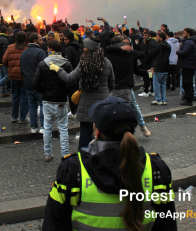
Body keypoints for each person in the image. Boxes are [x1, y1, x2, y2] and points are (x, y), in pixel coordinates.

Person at [42, 96, 176, 231]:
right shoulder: (156, 170)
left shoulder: (72, 170)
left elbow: (53, 225)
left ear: (97, 131)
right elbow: (167, 225)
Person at [51, 37, 115, 149]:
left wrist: (58, 69)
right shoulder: (107, 62)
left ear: (88, 49)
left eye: (85, 47)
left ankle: (84, 161)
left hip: (87, 106)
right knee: (103, 135)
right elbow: (112, 84)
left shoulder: (84, 63)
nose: (83, 48)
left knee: (85, 138)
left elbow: (69, 78)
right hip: (103, 105)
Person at [33, 40, 72, 161]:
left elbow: (35, 83)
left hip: (47, 100)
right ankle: (65, 154)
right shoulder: (67, 64)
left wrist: (43, 91)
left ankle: (47, 154)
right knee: (63, 128)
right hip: (61, 100)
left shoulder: (42, 64)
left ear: (49, 49)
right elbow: (71, 82)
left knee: (47, 127)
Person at [105, 36, 151, 137]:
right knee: (125, 112)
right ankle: (126, 134)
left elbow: (135, 70)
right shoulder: (130, 53)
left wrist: (146, 73)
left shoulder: (108, 54)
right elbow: (142, 54)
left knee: (117, 110)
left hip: (115, 87)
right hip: (125, 87)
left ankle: (121, 133)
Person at [21, 33, 46, 133]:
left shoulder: (24, 53)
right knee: (43, 105)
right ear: (35, 40)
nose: (42, 41)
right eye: (40, 40)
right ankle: (43, 127)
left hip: (28, 83)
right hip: (39, 84)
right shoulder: (41, 52)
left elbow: (21, 70)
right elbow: (44, 68)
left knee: (32, 105)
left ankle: (33, 127)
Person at [3, 31, 29, 123]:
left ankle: (14, 117)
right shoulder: (27, 48)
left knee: (15, 96)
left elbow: (4, 60)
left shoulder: (10, 47)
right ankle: (22, 118)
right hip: (24, 75)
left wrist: (10, 68)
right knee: (24, 97)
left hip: (13, 75)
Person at [142, 32, 171, 105]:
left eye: (157, 37)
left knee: (157, 84)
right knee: (163, 84)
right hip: (166, 66)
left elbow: (151, 54)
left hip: (157, 66)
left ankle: (158, 99)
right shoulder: (168, 45)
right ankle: (164, 99)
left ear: (161, 38)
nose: (156, 38)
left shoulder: (157, 46)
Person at [176, 28, 196, 106]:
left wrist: (177, 52)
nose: (183, 34)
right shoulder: (191, 42)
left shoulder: (189, 42)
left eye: (184, 33)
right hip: (189, 64)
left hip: (188, 65)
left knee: (187, 82)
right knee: (188, 82)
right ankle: (189, 97)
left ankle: (189, 99)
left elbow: (184, 52)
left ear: (188, 34)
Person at [63, 32, 82, 118]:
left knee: (71, 93)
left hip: (71, 73)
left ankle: (73, 111)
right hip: (78, 72)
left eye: (66, 39)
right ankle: (77, 109)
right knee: (77, 92)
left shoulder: (68, 49)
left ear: (70, 39)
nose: (64, 41)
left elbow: (67, 62)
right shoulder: (79, 47)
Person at [138, 30, 156, 97]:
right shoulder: (146, 42)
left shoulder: (150, 43)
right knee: (150, 77)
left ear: (149, 35)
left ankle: (146, 91)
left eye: (146, 35)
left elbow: (149, 54)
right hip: (149, 63)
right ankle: (151, 90)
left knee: (146, 77)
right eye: (144, 35)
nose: (144, 36)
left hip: (147, 63)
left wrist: (144, 61)